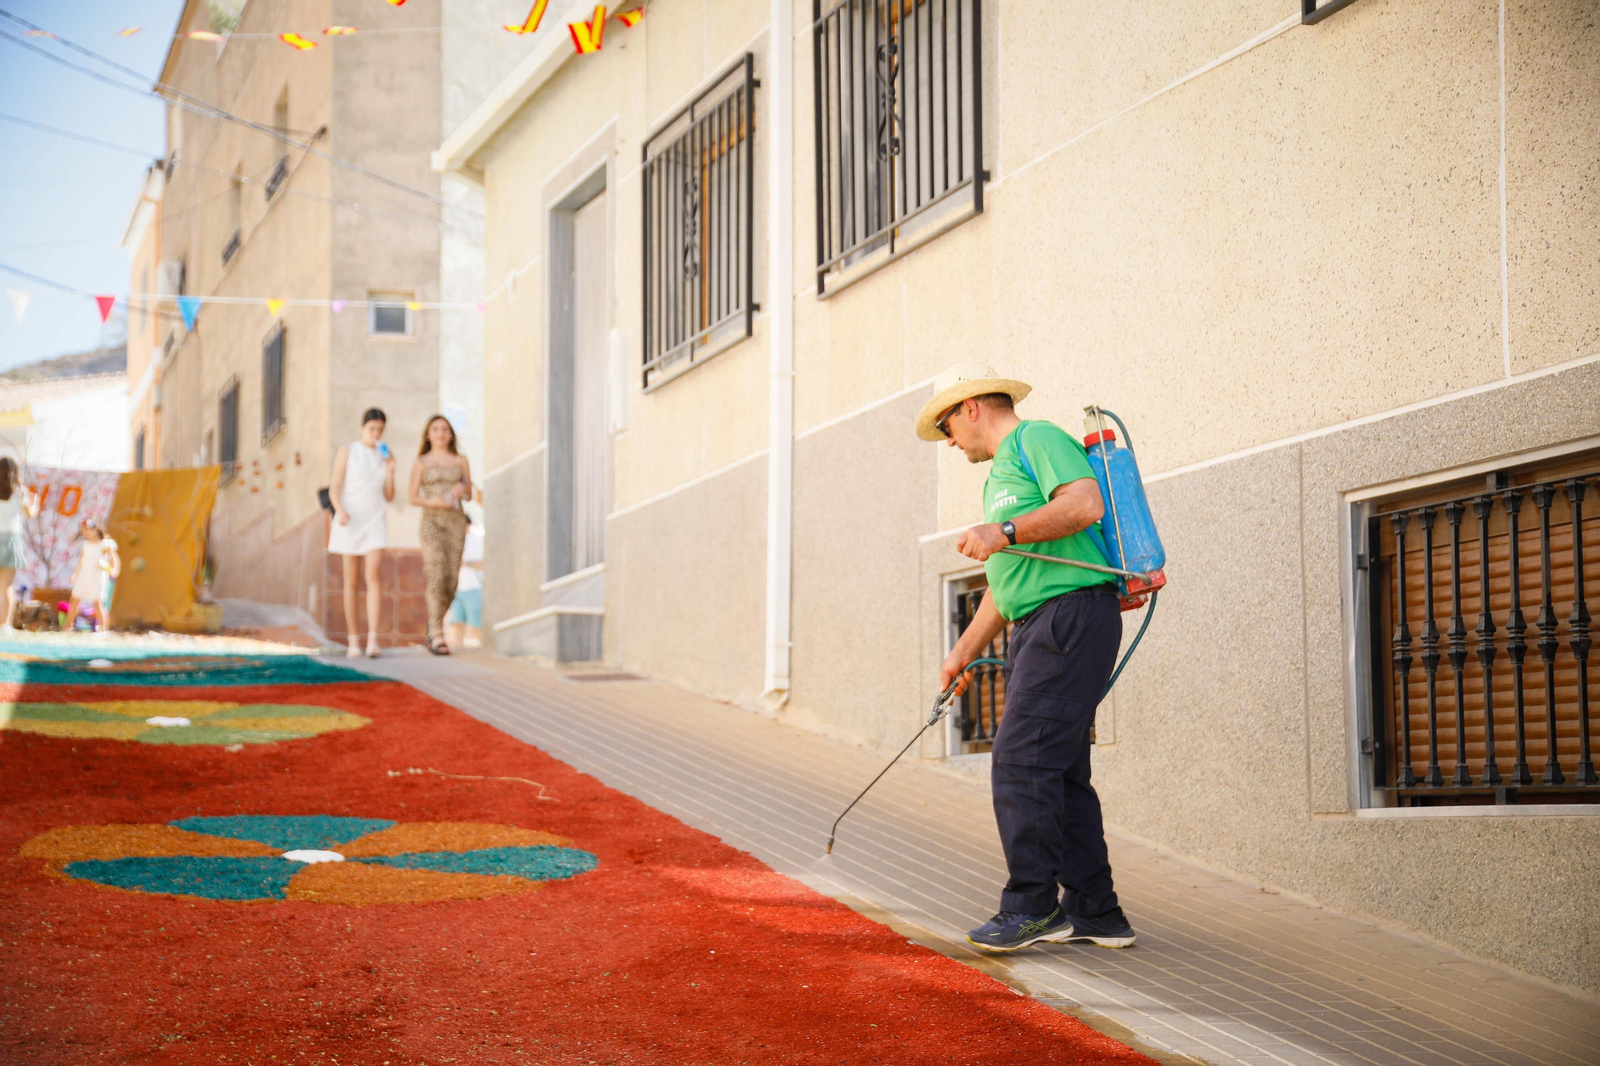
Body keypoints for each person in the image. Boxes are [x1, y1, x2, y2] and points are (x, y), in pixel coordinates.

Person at [921, 362, 1137, 953]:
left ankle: (1033, 906)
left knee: (1020, 760)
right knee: (1058, 770)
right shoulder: (1000, 476)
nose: (948, 441)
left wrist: (1006, 530)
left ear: (970, 408)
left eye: (945, 426)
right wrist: (961, 653)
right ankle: (1096, 910)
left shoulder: (1035, 438)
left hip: (1070, 617)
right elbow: (1005, 583)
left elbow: (1086, 504)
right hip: (1042, 625)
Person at [328, 408, 397, 658]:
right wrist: (340, 511)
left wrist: (391, 469)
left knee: (373, 575)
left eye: (380, 430)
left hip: (375, 518)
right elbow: (335, 487)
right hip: (350, 518)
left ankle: (373, 641)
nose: (376, 433)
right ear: (363, 427)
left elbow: (389, 495)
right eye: (372, 429)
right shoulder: (348, 450)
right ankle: (353, 641)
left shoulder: (384, 455)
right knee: (351, 579)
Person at [409, 415, 471, 655]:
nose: (440, 433)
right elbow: (412, 496)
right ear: (428, 434)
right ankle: (437, 632)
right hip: (431, 522)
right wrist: (432, 501)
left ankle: (433, 623)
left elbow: (469, 493)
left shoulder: (461, 460)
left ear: (451, 434)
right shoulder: (421, 462)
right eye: (435, 429)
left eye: (444, 429)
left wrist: (462, 487)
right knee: (435, 572)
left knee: (451, 579)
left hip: (455, 522)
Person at [445, 489, 484, 650]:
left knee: (476, 626)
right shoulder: (451, 542)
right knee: (456, 624)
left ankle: (478, 654)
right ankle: (458, 650)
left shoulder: (478, 539)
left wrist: (465, 563)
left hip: (474, 588)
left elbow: (483, 564)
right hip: (456, 590)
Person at [0, 458, 37, 628]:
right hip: (11, 540)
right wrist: (35, 503)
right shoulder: (20, 491)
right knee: (7, 586)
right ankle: (5, 625)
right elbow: (29, 514)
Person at [68, 519, 111, 632]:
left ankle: (103, 629)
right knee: (74, 601)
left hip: (97, 577)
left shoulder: (105, 544)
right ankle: (67, 627)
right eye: (84, 530)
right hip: (84, 575)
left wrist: (106, 566)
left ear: (96, 529)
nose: (86, 533)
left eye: (88, 530)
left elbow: (112, 562)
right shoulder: (86, 544)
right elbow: (81, 561)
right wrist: (74, 574)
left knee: (97, 603)